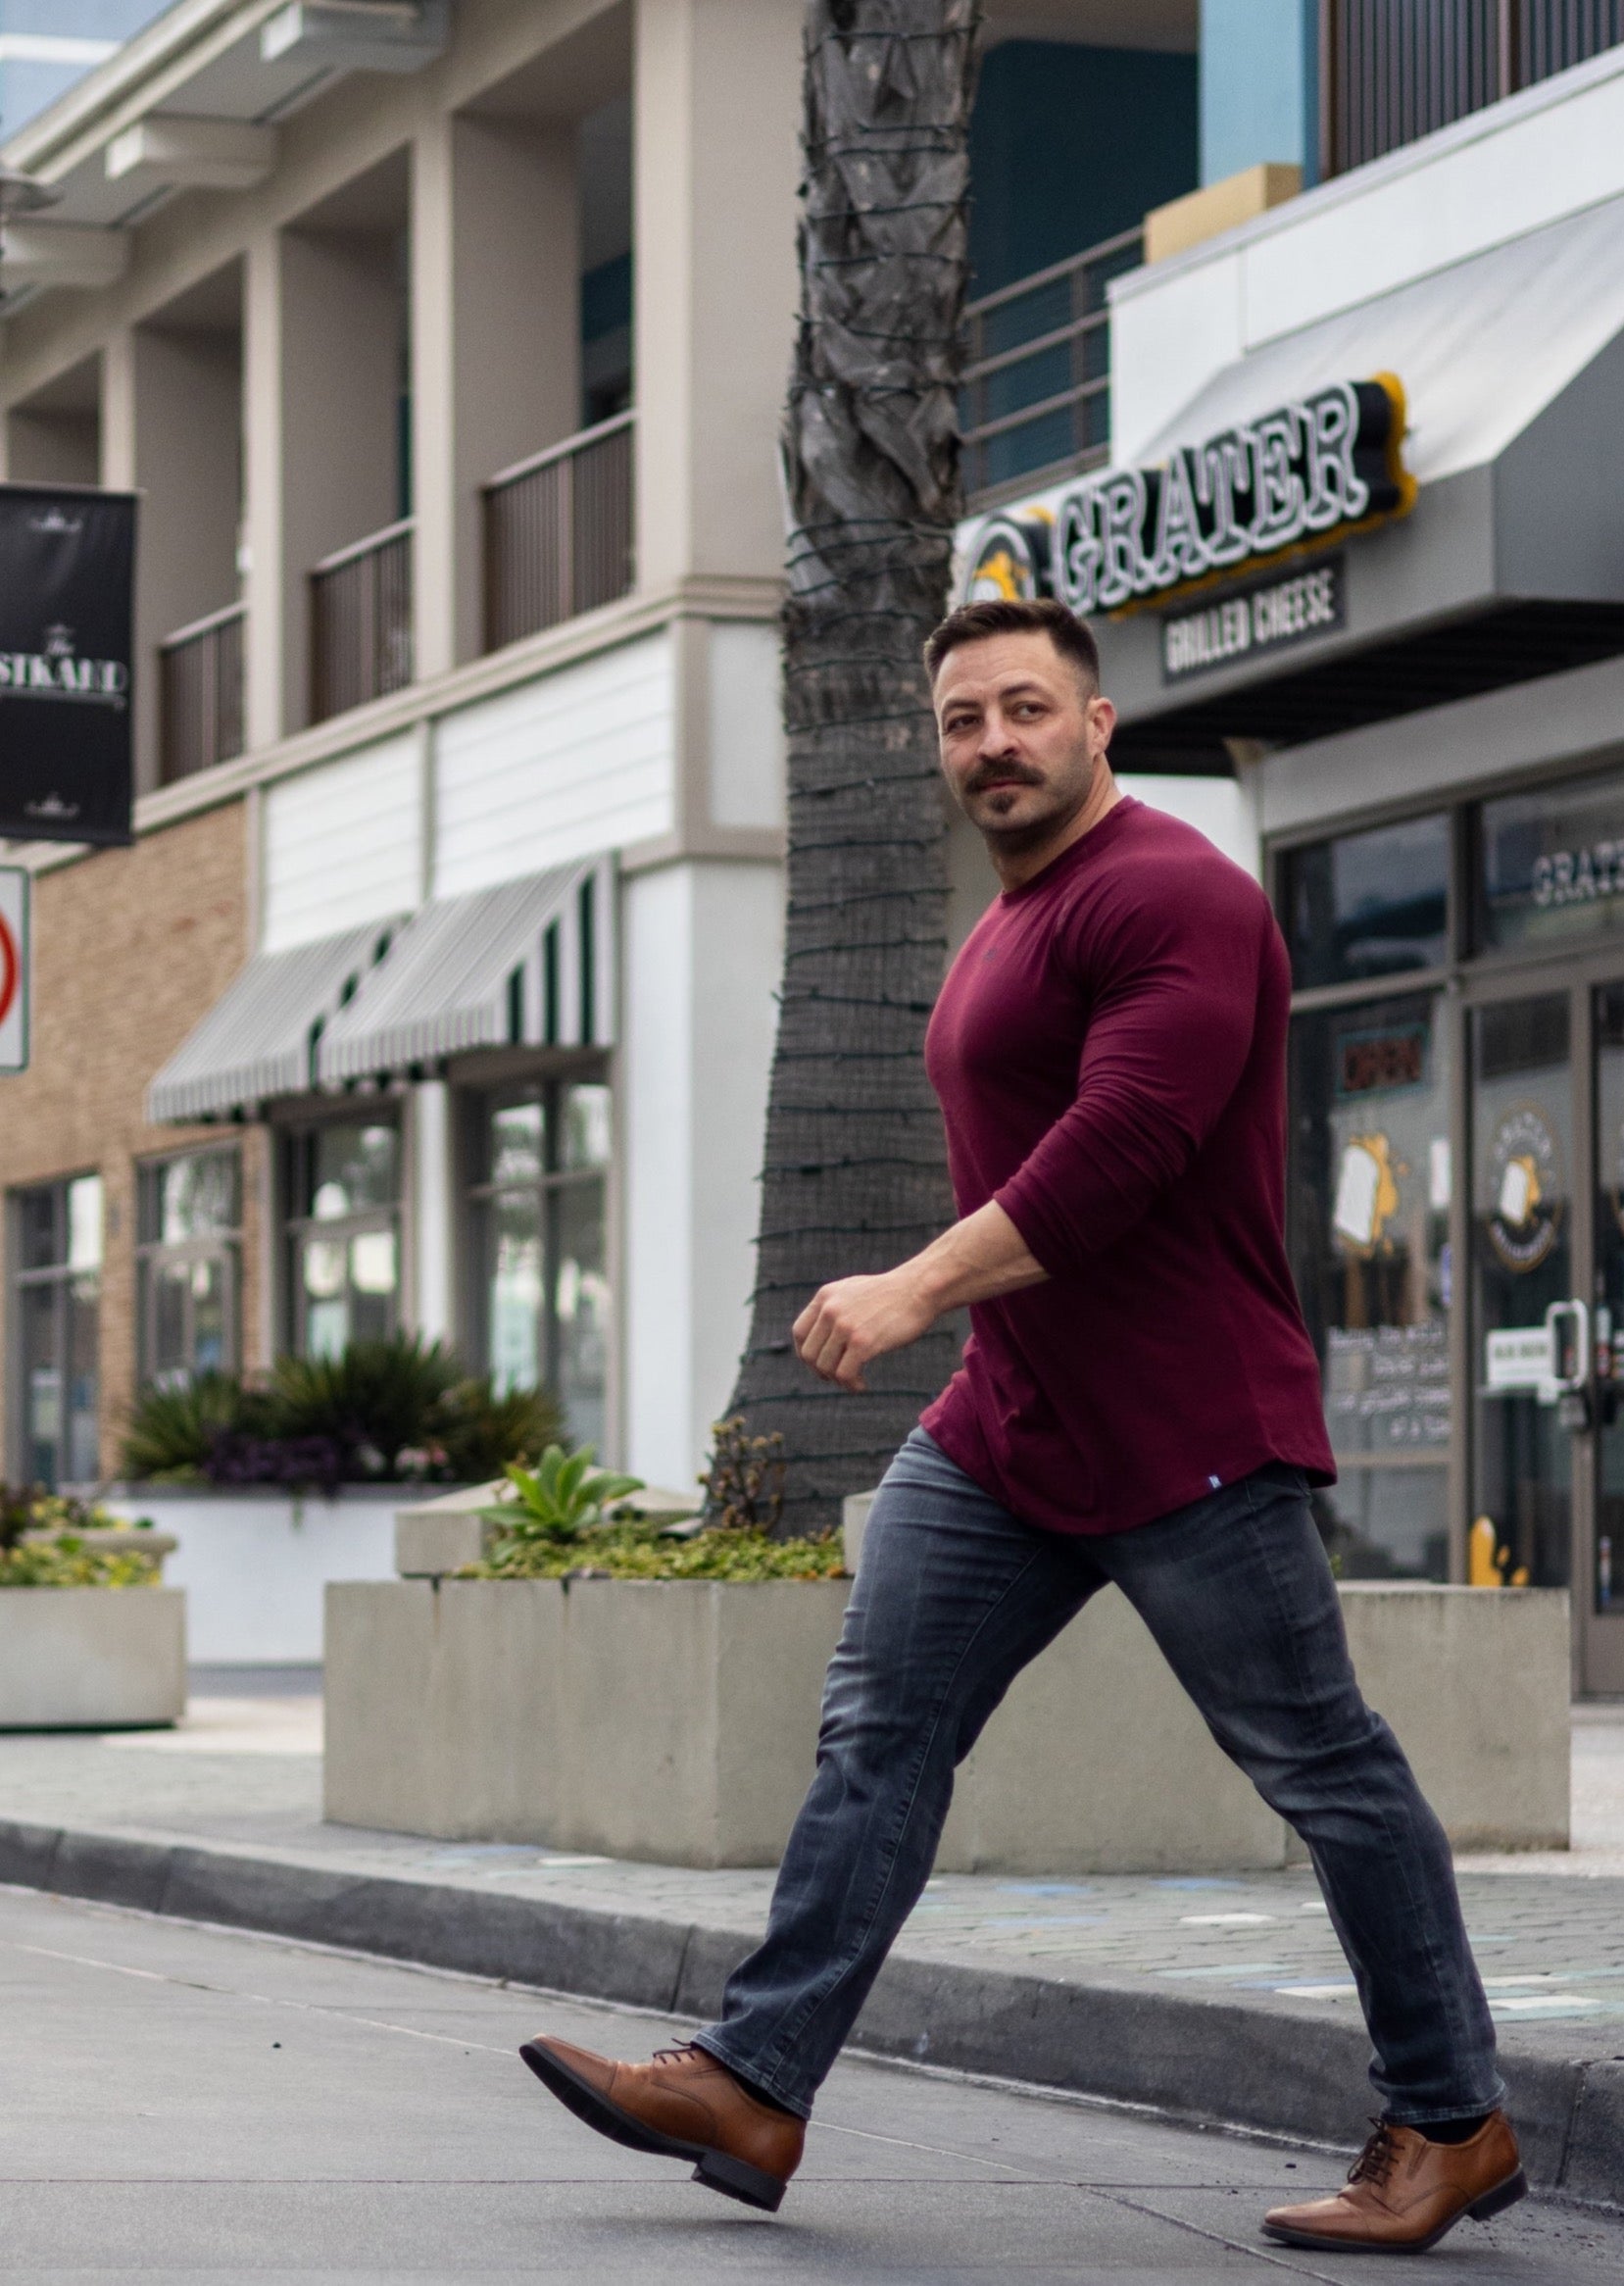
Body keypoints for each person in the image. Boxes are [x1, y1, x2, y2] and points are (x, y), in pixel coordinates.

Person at [519, 595, 1524, 2257]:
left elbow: (1121, 1148)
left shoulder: (1173, 896)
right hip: (1010, 1429)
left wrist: (915, 1288)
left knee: (1322, 1769)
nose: (991, 743)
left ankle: (1450, 2120)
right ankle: (754, 2080)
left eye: (1022, 711)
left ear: (1096, 722)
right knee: (879, 1732)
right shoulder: (1009, 914)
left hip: (1186, 1427)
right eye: (961, 720)